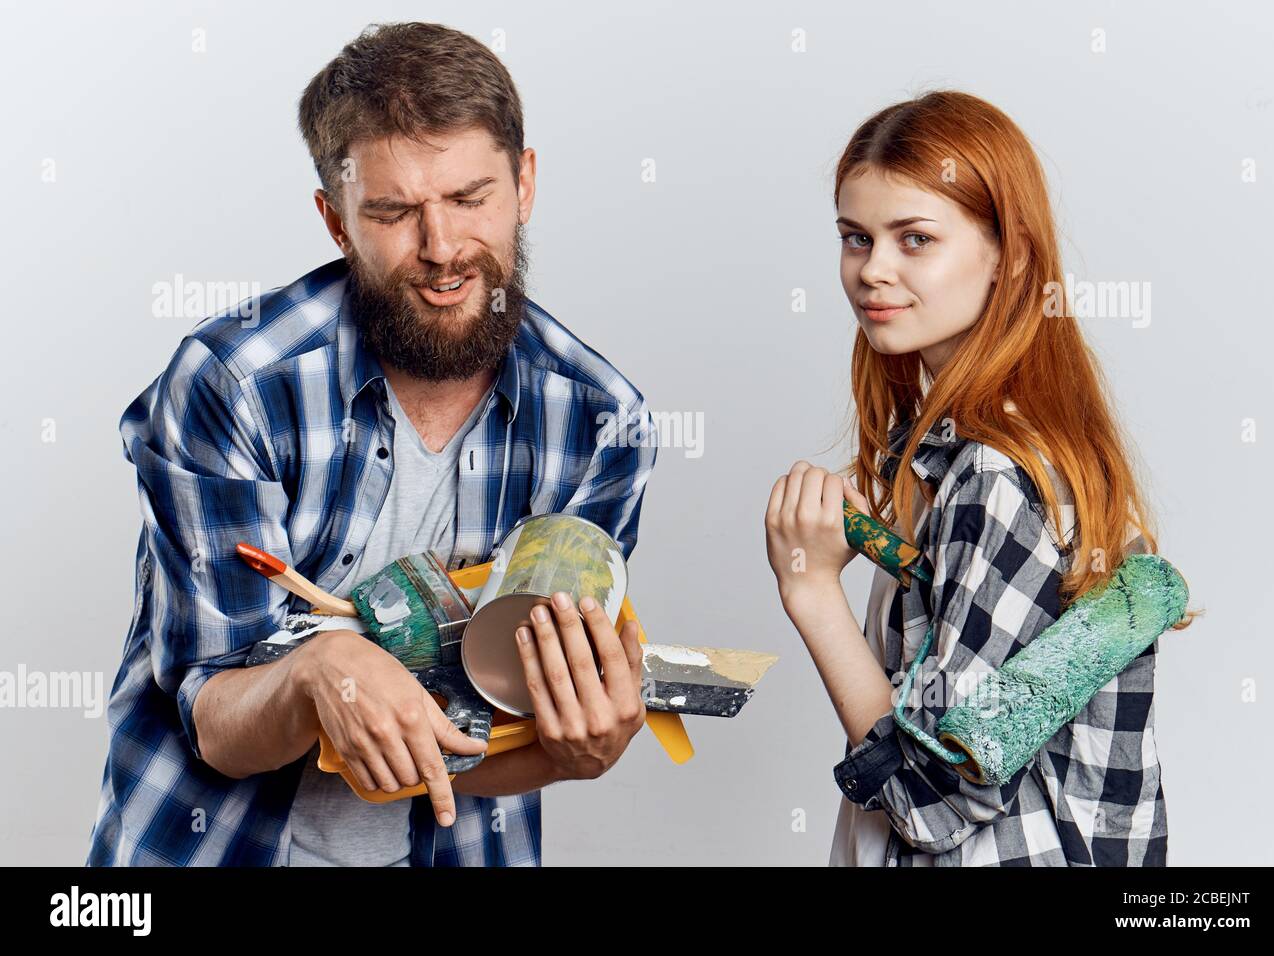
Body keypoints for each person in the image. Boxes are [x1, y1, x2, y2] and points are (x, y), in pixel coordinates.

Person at [88, 22, 657, 867]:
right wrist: (318, 673)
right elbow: (214, 725)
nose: (441, 250)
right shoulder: (232, 386)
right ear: (337, 219)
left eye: (471, 199)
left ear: (525, 182)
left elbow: (505, 738)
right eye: (393, 211)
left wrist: (578, 752)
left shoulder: (601, 420)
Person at [764, 91, 1192, 866]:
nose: (873, 271)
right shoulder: (986, 455)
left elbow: (935, 799)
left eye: (915, 239)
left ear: (1011, 256)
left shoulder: (993, 474)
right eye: (855, 238)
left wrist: (811, 591)